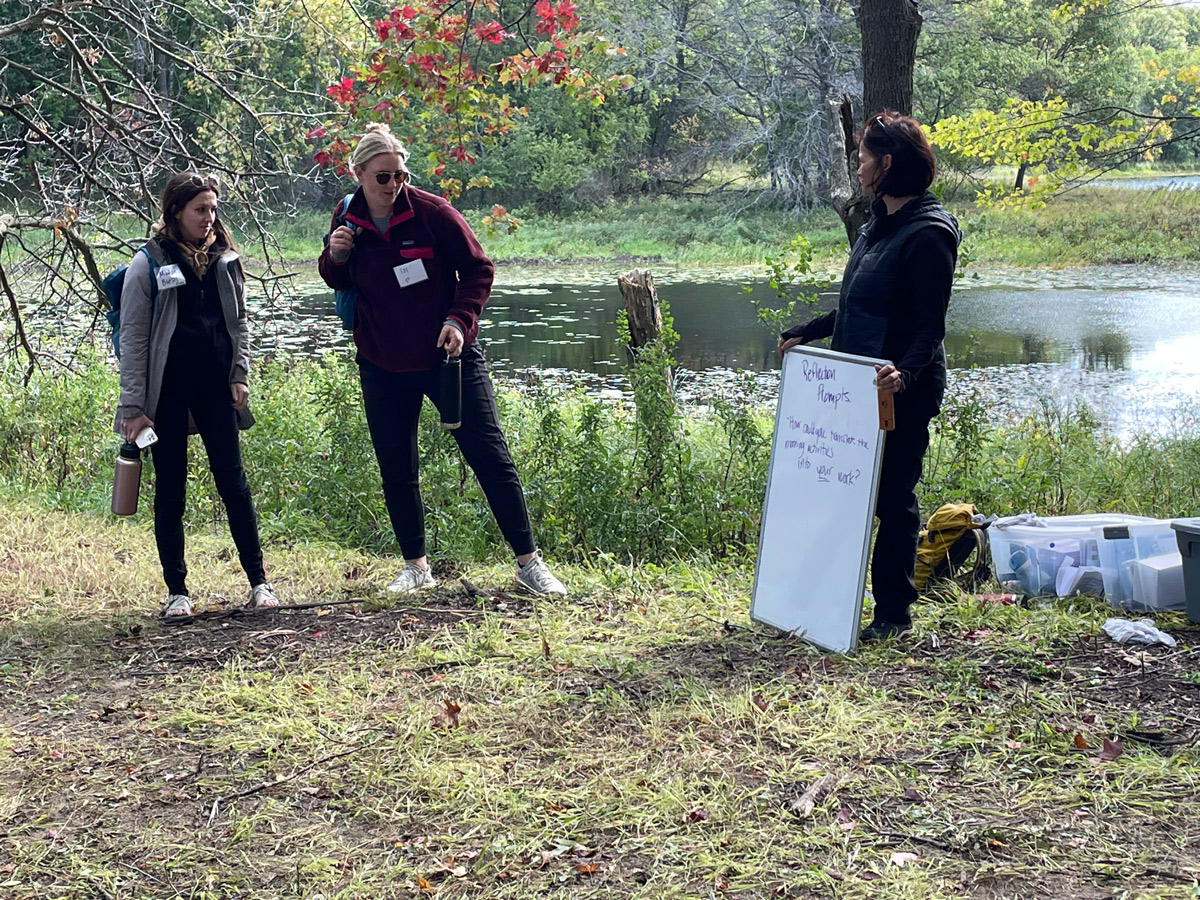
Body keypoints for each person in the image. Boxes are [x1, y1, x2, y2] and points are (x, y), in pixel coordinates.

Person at [317, 124, 567, 597]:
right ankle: (416, 567)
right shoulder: (347, 216)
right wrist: (335, 255)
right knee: (397, 468)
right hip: (381, 363)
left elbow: (478, 269)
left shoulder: (432, 212)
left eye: (400, 175)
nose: (393, 185)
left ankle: (529, 564)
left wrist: (458, 320)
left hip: (447, 358)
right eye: (383, 177)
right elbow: (336, 278)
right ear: (358, 174)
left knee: (490, 457)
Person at [780, 111, 961, 642]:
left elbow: (929, 327)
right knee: (844, 494)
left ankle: (893, 615)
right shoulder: (876, 225)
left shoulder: (930, 234)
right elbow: (860, 307)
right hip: (855, 386)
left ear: (886, 163)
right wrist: (808, 331)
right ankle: (823, 604)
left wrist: (903, 374)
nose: (856, 167)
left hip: (901, 390)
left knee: (892, 500)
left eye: (862, 158)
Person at [114, 172, 279, 618]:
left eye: (213, 209)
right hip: (166, 393)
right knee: (171, 489)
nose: (209, 217)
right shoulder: (148, 262)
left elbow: (240, 323)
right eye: (200, 209)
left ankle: (259, 583)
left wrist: (239, 374)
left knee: (234, 485)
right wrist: (133, 407)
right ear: (176, 212)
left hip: (215, 388)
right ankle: (177, 592)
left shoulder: (225, 258)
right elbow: (133, 339)